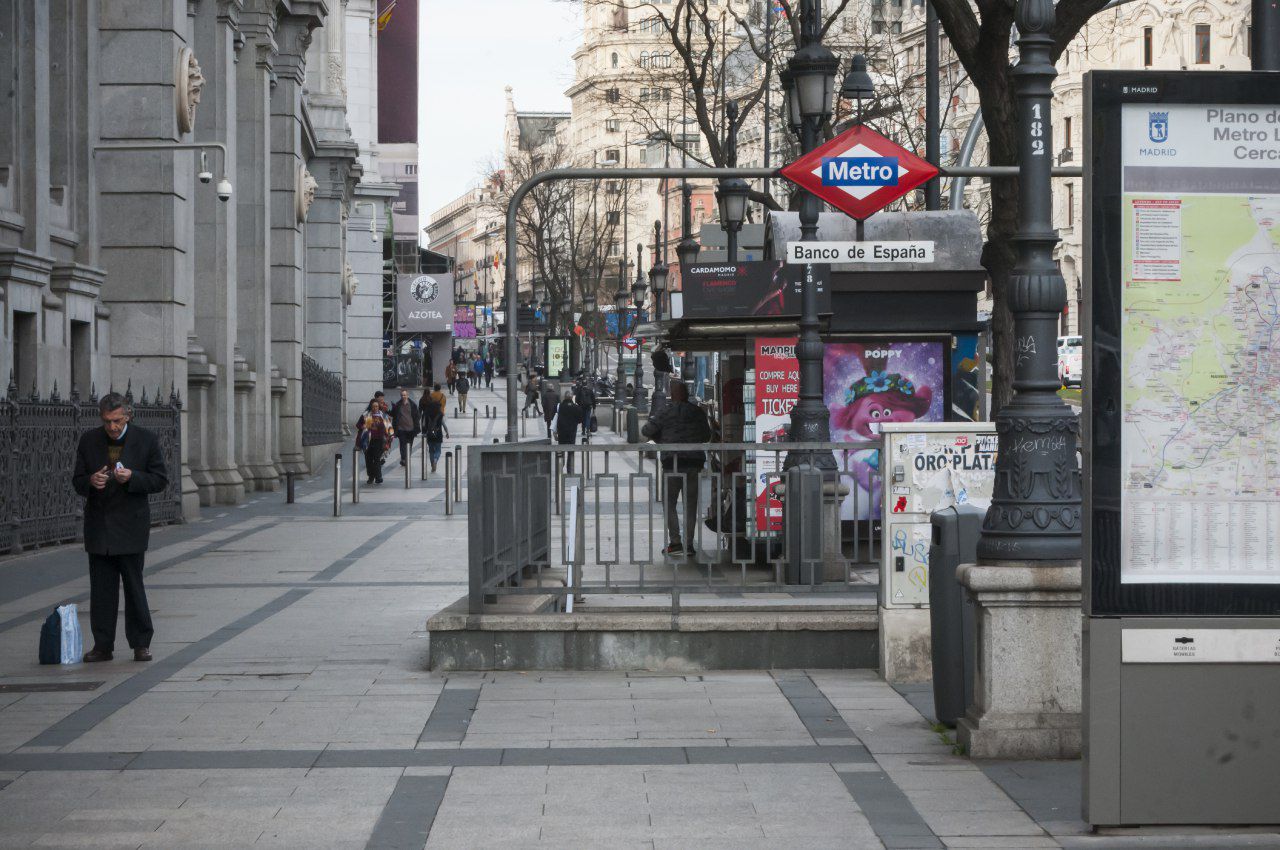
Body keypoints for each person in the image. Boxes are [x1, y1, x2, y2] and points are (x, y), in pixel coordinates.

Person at [72, 393, 169, 663]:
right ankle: (103, 645)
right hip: (100, 527)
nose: (112, 427)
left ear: (127, 415)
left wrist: (133, 477)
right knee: (101, 590)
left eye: (116, 420)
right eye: (107, 422)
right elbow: (77, 481)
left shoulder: (146, 440)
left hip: (131, 527)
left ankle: (141, 643)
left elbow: (160, 480)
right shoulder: (89, 440)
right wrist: (91, 481)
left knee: (134, 587)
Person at [641, 381, 711, 556]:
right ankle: (688, 544)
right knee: (690, 505)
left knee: (669, 504)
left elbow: (646, 430)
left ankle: (675, 541)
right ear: (687, 394)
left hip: (671, 463)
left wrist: (660, 437)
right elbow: (706, 435)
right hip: (693, 464)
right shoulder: (697, 412)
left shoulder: (665, 412)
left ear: (673, 394)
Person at [357, 399, 394, 484]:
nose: (375, 408)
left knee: (377, 459)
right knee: (369, 460)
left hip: (379, 440)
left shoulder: (382, 415)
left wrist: (391, 435)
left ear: (379, 407)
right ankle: (371, 477)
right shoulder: (366, 415)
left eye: (376, 406)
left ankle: (378, 477)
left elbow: (389, 426)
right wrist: (362, 426)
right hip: (367, 441)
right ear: (371, 406)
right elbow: (358, 424)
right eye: (373, 406)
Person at [389, 388, 419, 470]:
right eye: (402, 395)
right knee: (402, 444)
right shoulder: (398, 405)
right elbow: (393, 414)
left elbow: (417, 416)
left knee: (409, 445)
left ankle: (407, 458)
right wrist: (389, 410)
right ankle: (403, 458)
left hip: (411, 428)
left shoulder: (413, 405)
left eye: (405, 395)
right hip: (401, 428)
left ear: (407, 395)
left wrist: (417, 427)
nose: (403, 396)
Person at [554, 390, 584, 472]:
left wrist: (555, 432)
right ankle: (570, 469)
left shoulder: (559, 406)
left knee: (562, 449)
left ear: (564, 397)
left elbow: (556, 419)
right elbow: (580, 420)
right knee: (571, 451)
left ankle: (561, 466)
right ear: (572, 397)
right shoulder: (576, 407)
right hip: (572, 432)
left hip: (562, 432)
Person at [420, 392, 449, 473]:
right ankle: (436, 460)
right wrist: (447, 432)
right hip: (438, 434)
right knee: (438, 450)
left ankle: (432, 463)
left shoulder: (426, 414)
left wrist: (424, 432)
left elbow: (423, 424)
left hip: (429, 435)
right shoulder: (440, 414)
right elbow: (444, 425)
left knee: (431, 451)